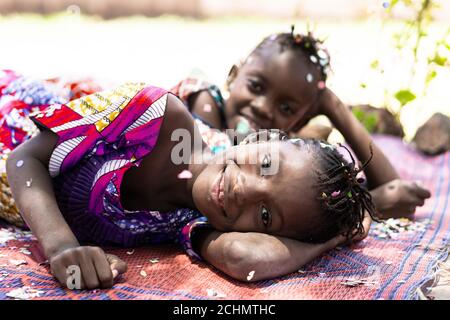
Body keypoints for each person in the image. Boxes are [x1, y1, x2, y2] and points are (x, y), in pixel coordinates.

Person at [6, 82, 375, 289]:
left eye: (265, 215)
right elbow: (23, 159)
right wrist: (61, 246)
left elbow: (244, 259)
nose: (243, 191)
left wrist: (338, 236)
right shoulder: (156, 114)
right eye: (266, 165)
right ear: (263, 138)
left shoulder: (192, 219)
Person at [171, 26, 431, 219]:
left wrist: (333, 107)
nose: (262, 107)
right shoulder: (202, 101)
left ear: (301, 118)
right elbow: (213, 191)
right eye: (256, 86)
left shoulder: (278, 151)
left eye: (286, 108)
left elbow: (394, 189)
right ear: (233, 76)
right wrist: (370, 203)